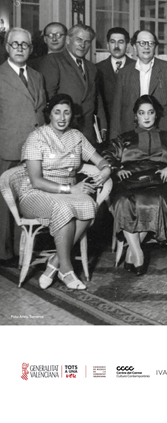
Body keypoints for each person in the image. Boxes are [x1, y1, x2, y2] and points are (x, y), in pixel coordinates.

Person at [17, 93, 112, 289]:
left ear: (72, 115)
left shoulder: (76, 136)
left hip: (67, 194)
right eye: (57, 112)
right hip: (35, 194)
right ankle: (66, 270)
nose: (62, 118)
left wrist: (106, 170)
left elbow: (100, 160)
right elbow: (36, 181)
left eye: (66, 112)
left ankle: (54, 263)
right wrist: (70, 189)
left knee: (88, 204)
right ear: (49, 114)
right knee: (64, 208)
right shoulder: (37, 137)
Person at [103, 95, 167, 275]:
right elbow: (106, 155)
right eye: (141, 113)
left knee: (155, 201)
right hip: (129, 181)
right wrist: (116, 169)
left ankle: (131, 252)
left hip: (157, 182)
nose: (146, 117)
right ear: (135, 116)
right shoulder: (125, 138)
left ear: (156, 115)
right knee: (123, 202)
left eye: (150, 112)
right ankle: (138, 253)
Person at [0, 27, 47, 263]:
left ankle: (23, 249)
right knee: (4, 203)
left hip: (34, 150)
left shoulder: (37, 76)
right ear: (7, 47)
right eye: (15, 44)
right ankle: (3, 251)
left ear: (31, 48)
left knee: (27, 198)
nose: (20, 48)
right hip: (7, 147)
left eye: (24, 44)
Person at [110, 30, 167, 140]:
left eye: (150, 43)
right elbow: (117, 111)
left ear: (155, 47)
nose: (146, 47)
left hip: (165, 136)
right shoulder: (124, 73)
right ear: (134, 47)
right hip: (131, 137)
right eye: (142, 43)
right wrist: (115, 140)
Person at [37, 23, 106, 145]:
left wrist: (103, 126)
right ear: (68, 40)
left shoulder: (92, 68)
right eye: (79, 40)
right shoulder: (53, 60)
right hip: (63, 131)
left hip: (87, 133)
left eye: (87, 41)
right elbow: (48, 99)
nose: (82, 45)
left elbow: (97, 99)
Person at [96, 27, 135, 133]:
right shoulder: (97, 69)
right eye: (113, 42)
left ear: (127, 45)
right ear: (107, 45)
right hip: (106, 127)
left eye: (121, 42)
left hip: (131, 126)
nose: (116, 46)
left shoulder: (137, 67)